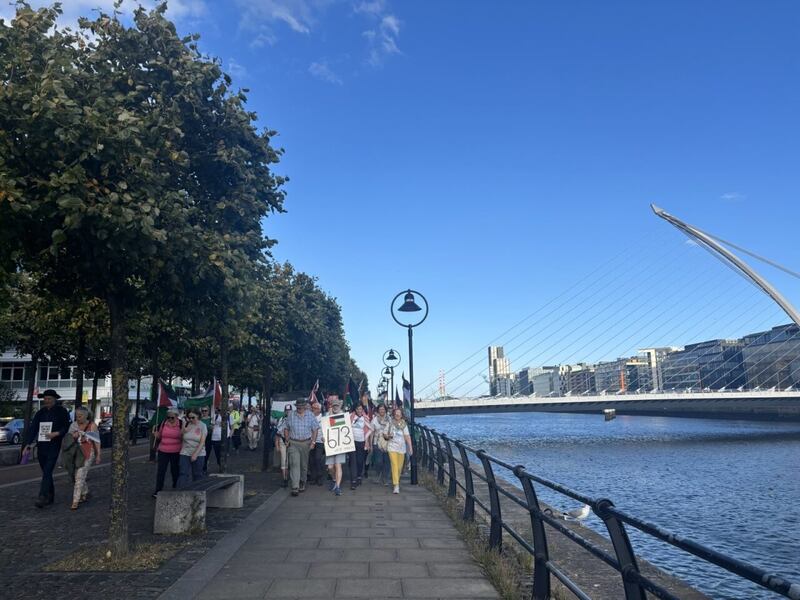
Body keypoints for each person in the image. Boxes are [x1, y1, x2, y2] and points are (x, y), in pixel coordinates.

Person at [23, 389, 71, 508]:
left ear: (55, 399)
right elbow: (33, 428)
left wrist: (57, 433)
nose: (47, 401)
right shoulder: (40, 412)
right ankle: (51, 495)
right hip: (42, 445)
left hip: (54, 445)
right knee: (46, 471)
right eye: (45, 399)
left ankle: (42, 496)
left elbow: (66, 426)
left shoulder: (62, 411)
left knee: (48, 470)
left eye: (49, 398)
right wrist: (28, 444)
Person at [279, 397, 319, 497]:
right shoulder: (291, 415)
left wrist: (313, 442)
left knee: (303, 465)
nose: (299, 408)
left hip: (306, 443)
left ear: (305, 407)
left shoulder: (310, 415)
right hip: (294, 443)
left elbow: (315, 429)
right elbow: (286, 428)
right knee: (294, 464)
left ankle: (302, 481)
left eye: (301, 407)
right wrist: (287, 439)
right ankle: (295, 486)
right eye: (298, 407)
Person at [67, 407, 100, 510]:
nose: (78, 418)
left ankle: (75, 501)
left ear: (86, 416)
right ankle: (85, 492)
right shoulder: (73, 425)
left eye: (80, 416)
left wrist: (98, 455)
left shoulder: (92, 426)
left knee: (80, 476)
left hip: (88, 452)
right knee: (77, 475)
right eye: (76, 416)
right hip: (76, 453)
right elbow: (68, 439)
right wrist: (74, 435)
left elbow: (96, 441)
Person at [152, 408, 182, 497]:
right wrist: (157, 436)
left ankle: (176, 486)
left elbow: (183, 436)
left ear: (176, 417)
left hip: (176, 451)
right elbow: (160, 436)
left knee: (175, 470)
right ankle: (158, 489)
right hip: (163, 450)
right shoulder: (163, 423)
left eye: (172, 417)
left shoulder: (181, 424)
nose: (170, 419)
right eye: (168, 417)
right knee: (161, 471)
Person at [178, 408, 207, 487]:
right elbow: (181, 435)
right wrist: (184, 425)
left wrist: (195, 454)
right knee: (183, 473)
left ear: (198, 416)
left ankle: (197, 492)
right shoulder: (187, 424)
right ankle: (181, 491)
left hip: (199, 453)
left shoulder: (202, 426)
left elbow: (202, 442)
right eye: (189, 417)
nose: (191, 419)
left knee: (197, 474)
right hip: (185, 452)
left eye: (193, 417)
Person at [387, 407, 413, 494]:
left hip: (401, 448)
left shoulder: (404, 425)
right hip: (392, 447)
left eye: (399, 413)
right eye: (396, 413)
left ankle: (396, 480)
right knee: (394, 465)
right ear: (394, 414)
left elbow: (407, 436)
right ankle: (396, 485)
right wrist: (388, 436)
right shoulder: (390, 423)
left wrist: (410, 447)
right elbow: (384, 434)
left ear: (401, 415)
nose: (397, 414)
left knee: (399, 468)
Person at [325, 395, 346, 496]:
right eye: (334, 405)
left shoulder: (343, 415)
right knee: (330, 467)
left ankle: (338, 486)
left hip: (340, 444)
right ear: (331, 406)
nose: (335, 407)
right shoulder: (326, 415)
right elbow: (324, 428)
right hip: (330, 445)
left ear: (340, 406)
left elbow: (345, 430)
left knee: (338, 465)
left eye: (337, 405)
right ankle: (334, 479)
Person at [347, 404, 369, 490]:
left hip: (362, 442)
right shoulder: (349, 416)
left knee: (360, 461)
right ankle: (353, 481)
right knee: (353, 461)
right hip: (352, 442)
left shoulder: (365, 418)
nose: (359, 410)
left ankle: (359, 476)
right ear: (355, 409)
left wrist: (368, 443)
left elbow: (369, 430)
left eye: (361, 409)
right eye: (358, 409)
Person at [369, 403, 391, 485]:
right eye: (380, 409)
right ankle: (379, 473)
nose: (382, 411)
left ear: (385, 410)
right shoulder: (374, 420)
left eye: (383, 409)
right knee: (378, 461)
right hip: (377, 442)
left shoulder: (389, 419)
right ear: (378, 410)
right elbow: (372, 432)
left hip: (387, 442)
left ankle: (385, 478)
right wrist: (370, 444)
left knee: (387, 461)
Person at [308, 401, 326, 485]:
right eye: (312, 408)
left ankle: (319, 477)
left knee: (317, 458)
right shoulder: (310, 417)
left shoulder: (324, 418)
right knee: (311, 460)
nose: (313, 409)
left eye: (314, 408)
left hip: (320, 441)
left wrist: (325, 437)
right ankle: (313, 477)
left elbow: (327, 429)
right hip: (311, 441)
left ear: (319, 409)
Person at [275, 405, 291, 487]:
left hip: (292, 442)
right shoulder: (281, 420)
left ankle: (291, 477)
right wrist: (277, 444)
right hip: (282, 441)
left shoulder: (294, 420)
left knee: (291, 461)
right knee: (284, 460)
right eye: (287, 410)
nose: (288, 412)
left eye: (289, 410)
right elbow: (277, 433)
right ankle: (285, 479)